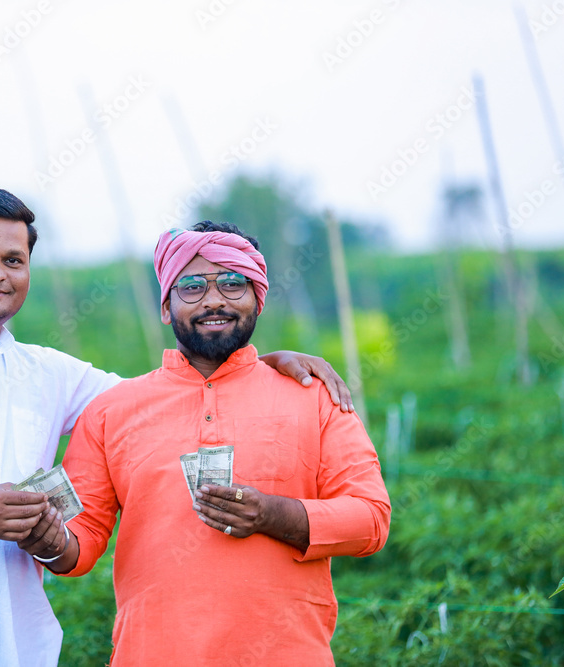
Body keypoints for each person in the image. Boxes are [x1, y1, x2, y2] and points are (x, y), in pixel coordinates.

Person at [0, 187, 354, 667]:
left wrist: (259, 362)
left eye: (13, 259)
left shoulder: (50, 373)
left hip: (16, 646)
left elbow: (169, 397)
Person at [30, 221, 391, 666]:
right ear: (166, 306)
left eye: (233, 283)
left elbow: (371, 520)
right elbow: (80, 543)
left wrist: (272, 514)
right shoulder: (113, 410)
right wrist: (46, 538)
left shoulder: (315, 396)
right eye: (192, 286)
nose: (214, 299)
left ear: (258, 296)